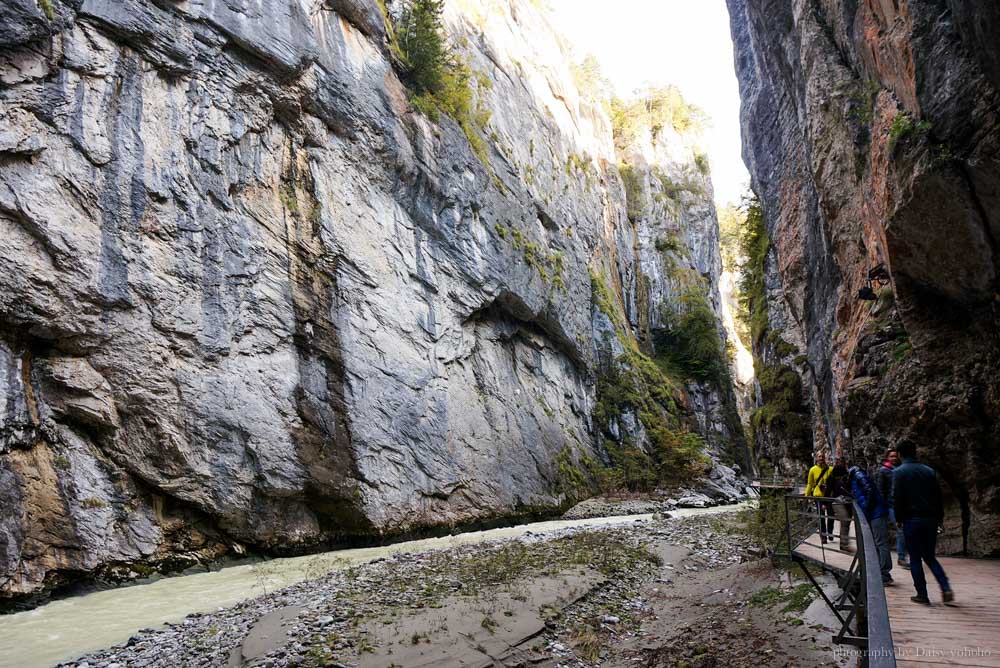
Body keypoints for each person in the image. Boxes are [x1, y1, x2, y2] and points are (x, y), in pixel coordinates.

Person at [894, 440, 954, 605]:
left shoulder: (899, 472)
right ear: (915, 452)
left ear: (899, 454)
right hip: (930, 520)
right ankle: (945, 586)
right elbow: (938, 497)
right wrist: (939, 518)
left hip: (912, 520)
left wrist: (898, 519)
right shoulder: (929, 471)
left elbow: (898, 498)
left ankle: (922, 594)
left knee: (915, 558)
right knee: (930, 556)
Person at [850, 465, 893, 584]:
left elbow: (869, 490)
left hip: (876, 513)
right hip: (874, 513)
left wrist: (867, 508)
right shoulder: (857, 476)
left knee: (881, 543)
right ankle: (880, 571)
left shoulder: (858, 475)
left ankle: (884, 573)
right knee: (877, 543)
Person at [876, 449, 909, 567]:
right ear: (887, 457)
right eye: (892, 456)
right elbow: (880, 489)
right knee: (901, 529)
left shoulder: (900, 469)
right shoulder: (884, 470)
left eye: (896, 456)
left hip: (902, 504)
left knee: (905, 530)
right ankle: (901, 557)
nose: (894, 458)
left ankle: (903, 556)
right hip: (891, 505)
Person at [805, 451, 834, 542]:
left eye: (822, 456)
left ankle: (830, 532)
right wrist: (807, 496)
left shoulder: (830, 469)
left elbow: (834, 483)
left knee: (831, 515)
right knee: (821, 516)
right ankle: (823, 536)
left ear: (825, 458)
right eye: (819, 456)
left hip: (829, 496)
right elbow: (810, 484)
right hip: (818, 497)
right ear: (817, 458)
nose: (821, 458)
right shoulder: (812, 470)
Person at [826, 457, 853, 551]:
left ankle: (843, 544)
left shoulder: (846, 475)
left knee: (846, 522)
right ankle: (844, 544)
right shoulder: (832, 477)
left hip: (847, 501)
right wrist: (825, 503)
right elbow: (828, 490)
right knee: (845, 521)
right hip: (837, 501)